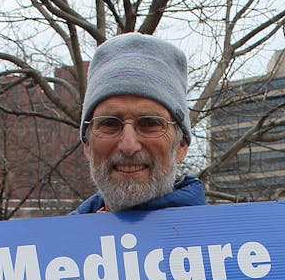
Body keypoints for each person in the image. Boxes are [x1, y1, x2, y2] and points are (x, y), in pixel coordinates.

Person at [72, 32, 205, 214]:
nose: (128, 146)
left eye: (150, 124)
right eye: (110, 124)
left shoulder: (228, 239)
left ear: (181, 146)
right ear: (87, 146)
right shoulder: (54, 241)